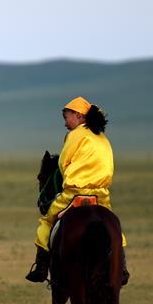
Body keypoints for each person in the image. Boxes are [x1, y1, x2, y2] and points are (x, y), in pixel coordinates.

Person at [25, 96, 129, 285]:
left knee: (47, 222)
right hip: (101, 194)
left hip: (74, 193)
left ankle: (41, 267)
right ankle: (121, 266)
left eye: (67, 117)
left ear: (79, 116)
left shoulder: (75, 135)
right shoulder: (102, 137)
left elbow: (64, 163)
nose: (65, 122)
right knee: (114, 225)